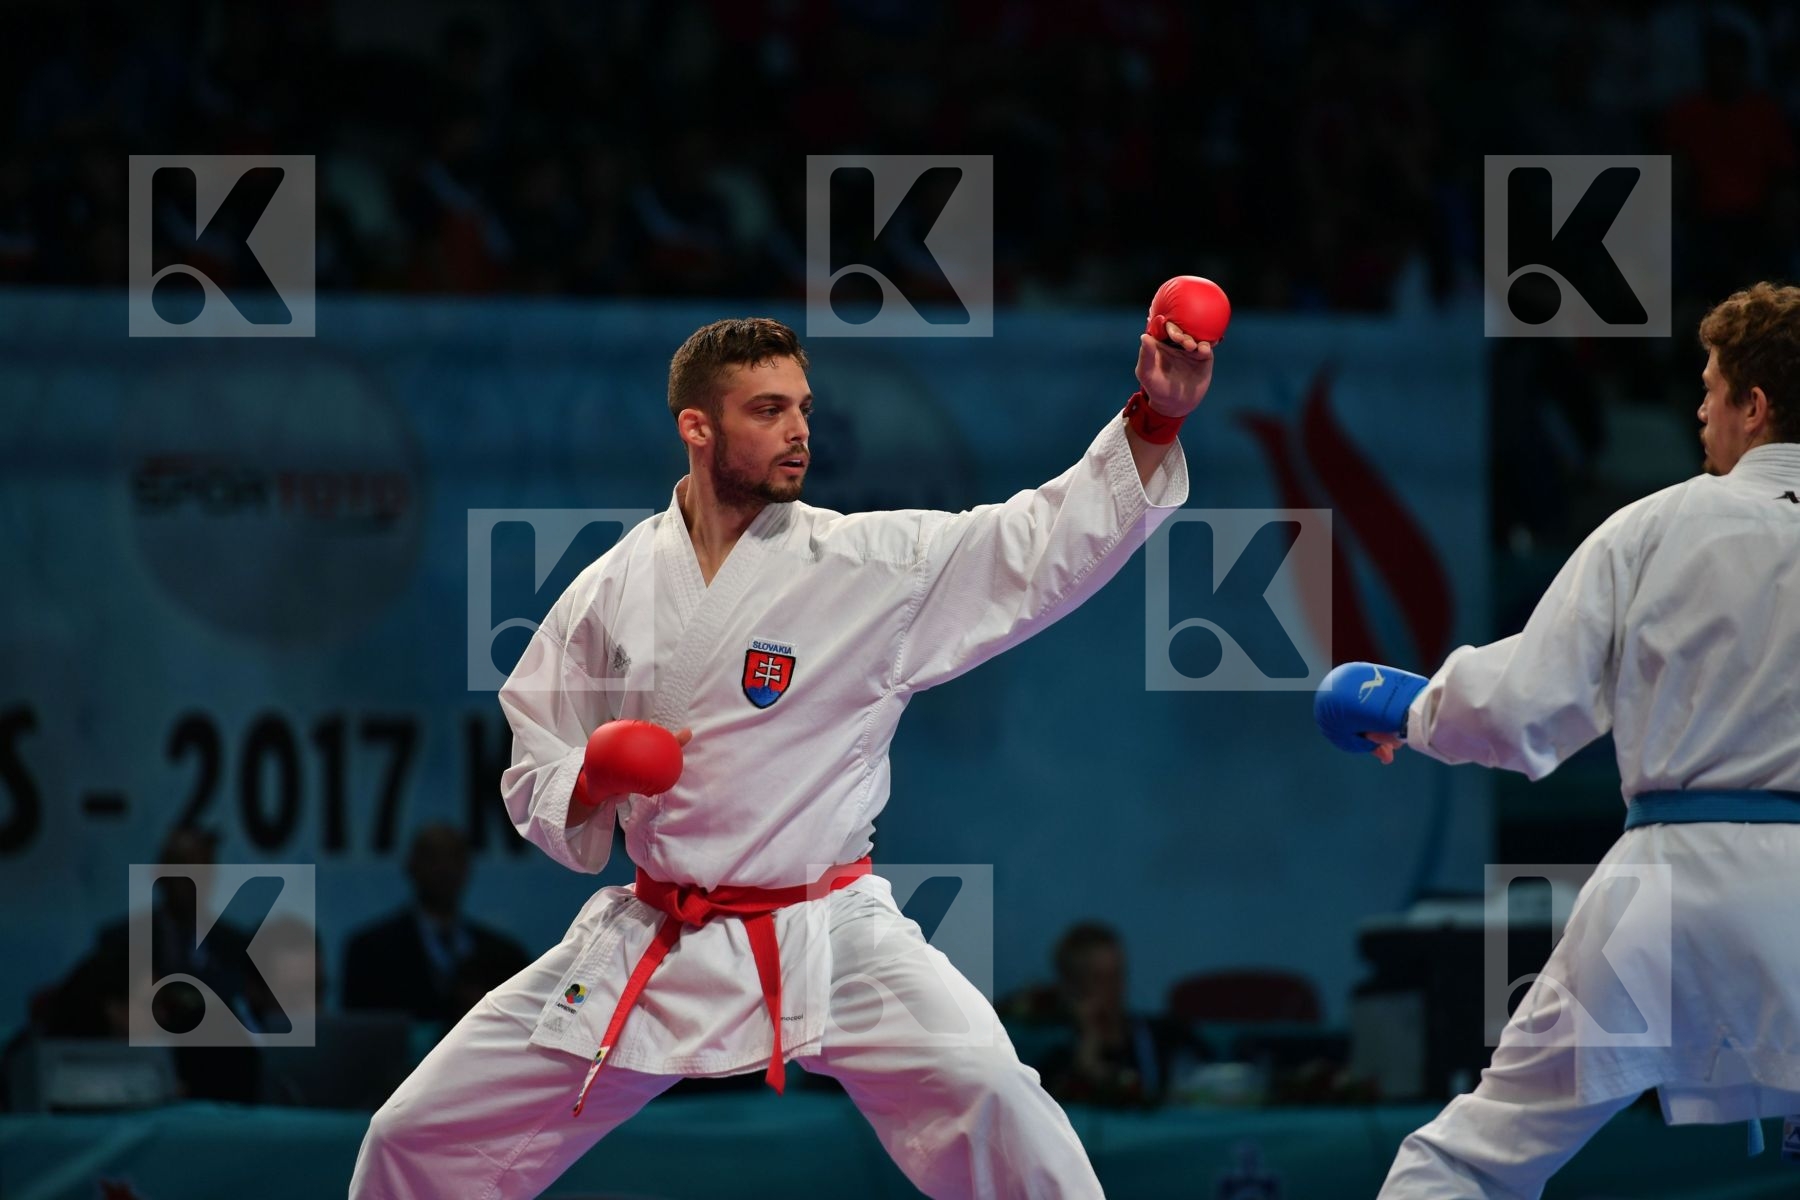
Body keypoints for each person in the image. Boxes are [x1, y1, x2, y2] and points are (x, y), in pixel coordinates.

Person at [349, 312, 1211, 1198]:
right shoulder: (607, 591)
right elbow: (535, 766)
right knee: (414, 1135)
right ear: (698, 426)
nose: (800, 430)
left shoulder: (867, 565)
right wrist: (591, 778)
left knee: (996, 1098)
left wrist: (1155, 419)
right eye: (768, 410)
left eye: (803, 407)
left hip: (829, 927)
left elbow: (1033, 546)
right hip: (661, 932)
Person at [1313, 281, 1800, 1197]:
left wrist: (1407, 710)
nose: (1699, 409)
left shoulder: (1665, 524)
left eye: (1711, 387)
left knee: (1473, 1158)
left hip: (1670, 888)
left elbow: (1527, 703)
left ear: (1755, 405)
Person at [341, 823, 529, 1028]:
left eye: (454, 857)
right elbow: (361, 1037)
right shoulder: (370, 953)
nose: (443, 868)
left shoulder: (505, 957)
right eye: (431, 857)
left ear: (467, 868)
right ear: (411, 866)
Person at [1036, 921, 1209, 1109]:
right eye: (1099, 979)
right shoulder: (1056, 1060)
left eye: (1118, 975)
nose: (1114, 989)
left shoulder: (1165, 1037)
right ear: (1073, 987)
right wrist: (1089, 1054)